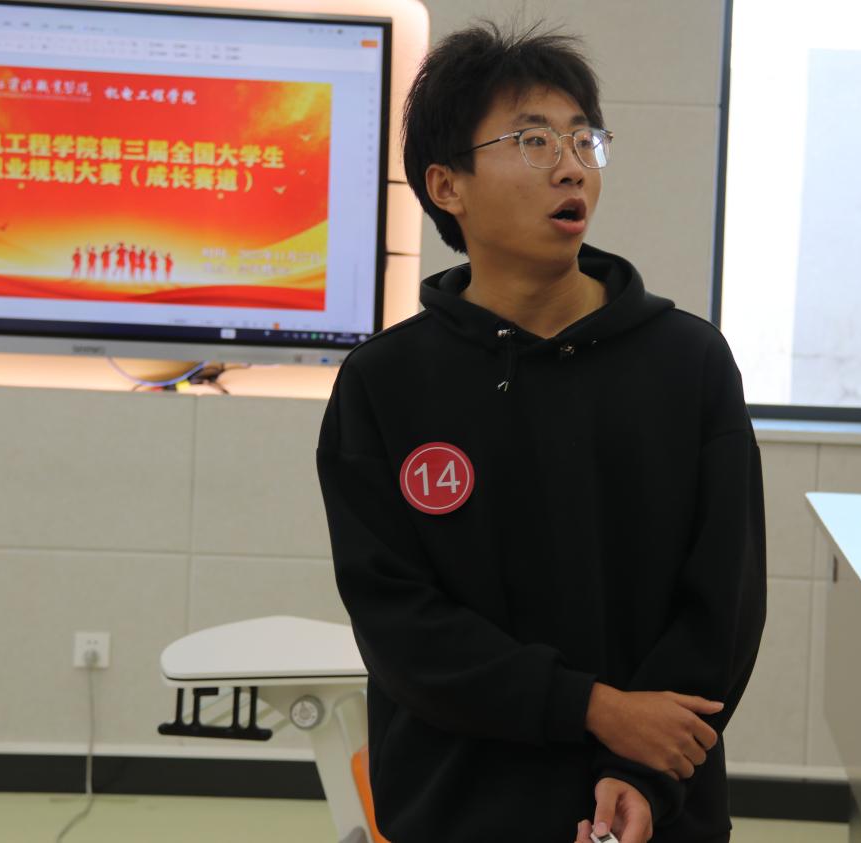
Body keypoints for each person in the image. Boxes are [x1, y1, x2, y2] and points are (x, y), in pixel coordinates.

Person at [316, 23, 765, 843]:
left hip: (652, 806)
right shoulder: (385, 383)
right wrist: (592, 707)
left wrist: (639, 773)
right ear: (446, 186)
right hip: (457, 808)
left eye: (583, 139)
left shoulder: (688, 362)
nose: (570, 166)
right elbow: (400, 624)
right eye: (532, 141)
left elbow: (721, 608)